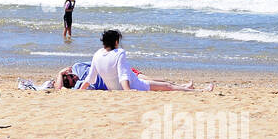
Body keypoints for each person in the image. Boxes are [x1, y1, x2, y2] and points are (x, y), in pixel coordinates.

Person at [83, 29, 212, 92]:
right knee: (167, 86)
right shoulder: (119, 52)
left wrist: (80, 91)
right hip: (135, 86)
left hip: (125, 85)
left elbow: (90, 77)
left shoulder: (97, 54)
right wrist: (128, 91)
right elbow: (122, 75)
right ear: (116, 42)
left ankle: (184, 86)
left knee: (161, 83)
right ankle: (199, 91)